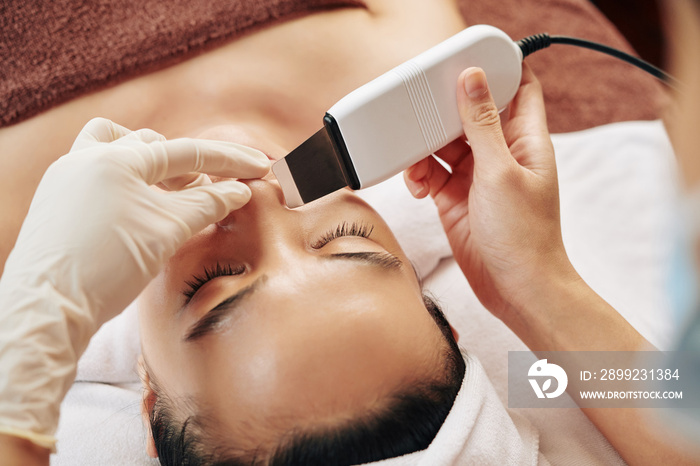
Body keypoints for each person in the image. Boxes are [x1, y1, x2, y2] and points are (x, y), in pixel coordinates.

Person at [2, 2, 700, 466]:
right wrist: (534, 285)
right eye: (343, 239)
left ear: (147, 388)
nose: (264, 204)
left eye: (213, 283)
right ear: (455, 323)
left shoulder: (22, 222)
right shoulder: (408, 73)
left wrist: (34, 330)